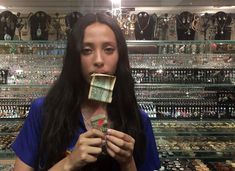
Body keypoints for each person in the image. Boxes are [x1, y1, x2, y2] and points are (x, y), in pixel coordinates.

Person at [11, 12, 161, 171]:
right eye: (87, 50)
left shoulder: (138, 119)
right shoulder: (43, 110)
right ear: (76, 58)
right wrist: (68, 163)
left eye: (108, 49)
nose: (98, 60)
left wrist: (128, 163)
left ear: (120, 56)